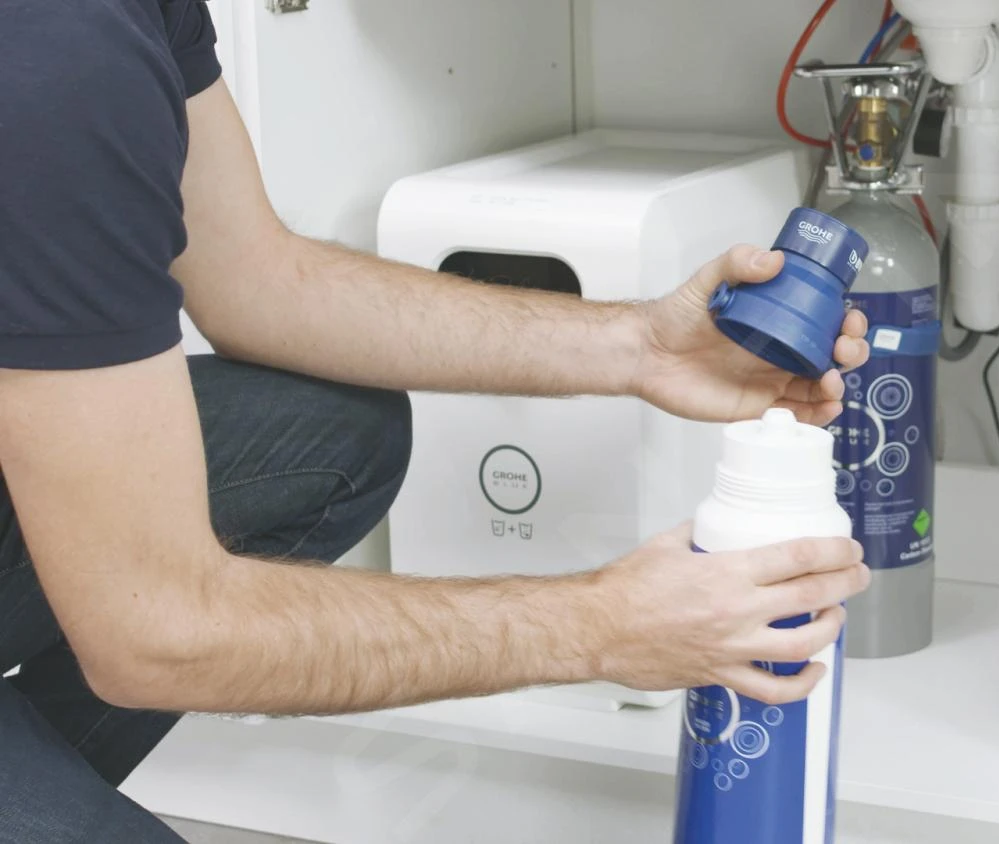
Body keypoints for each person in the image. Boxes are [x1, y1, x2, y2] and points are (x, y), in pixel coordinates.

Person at [0, 2, 874, 839]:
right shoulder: (58, 48)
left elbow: (253, 278)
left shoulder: (123, 22)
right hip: (143, 624)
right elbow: (159, 633)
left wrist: (643, 345)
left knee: (334, 432)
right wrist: (604, 625)